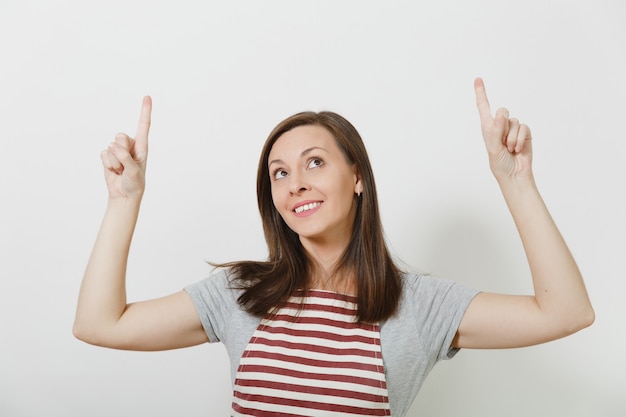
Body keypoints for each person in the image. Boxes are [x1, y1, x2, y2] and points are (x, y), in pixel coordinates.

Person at [73, 78, 594, 417]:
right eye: (280, 173)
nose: (295, 182)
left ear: (358, 177)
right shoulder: (240, 294)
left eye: (315, 162)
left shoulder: (420, 307)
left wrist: (516, 182)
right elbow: (100, 324)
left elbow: (566, 312)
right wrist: (124, 201)